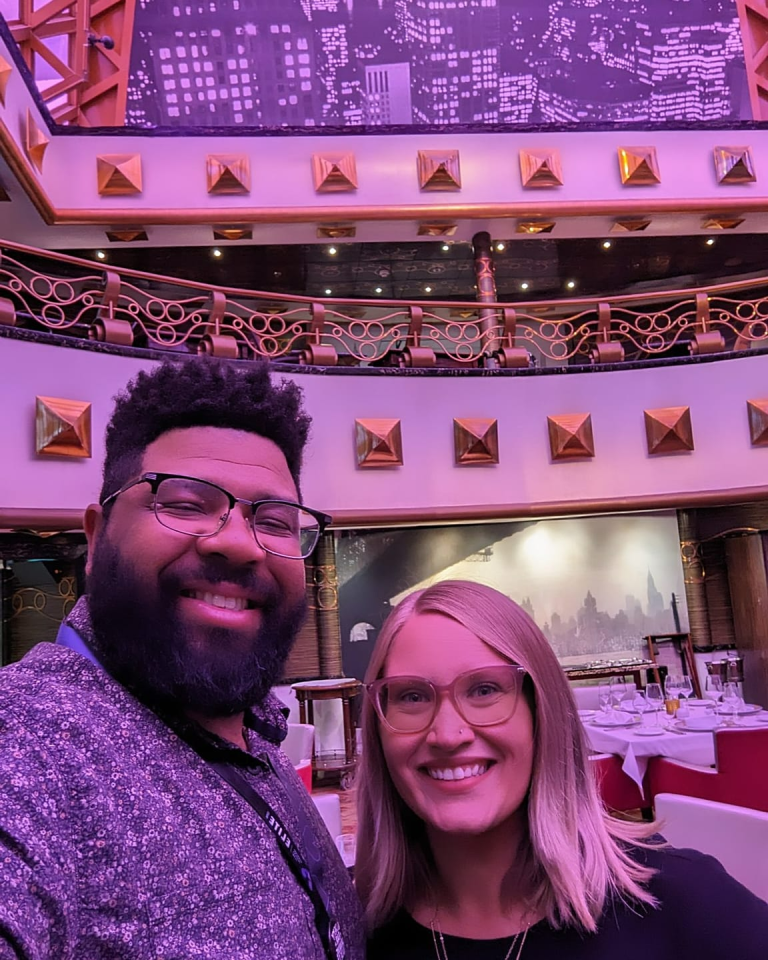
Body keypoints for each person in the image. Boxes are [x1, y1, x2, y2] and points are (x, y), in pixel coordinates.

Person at [0, 358, 364, 959]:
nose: (238, 542)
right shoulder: (31, 742)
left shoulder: (258, 742)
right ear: (96, 538)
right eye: (187, 503)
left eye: (273, 520)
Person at [357, 580, 768, 960]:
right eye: (411, 696)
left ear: (542, 713)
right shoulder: (342, 922)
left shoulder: (683, 903)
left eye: (484, 690)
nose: (447, 734)